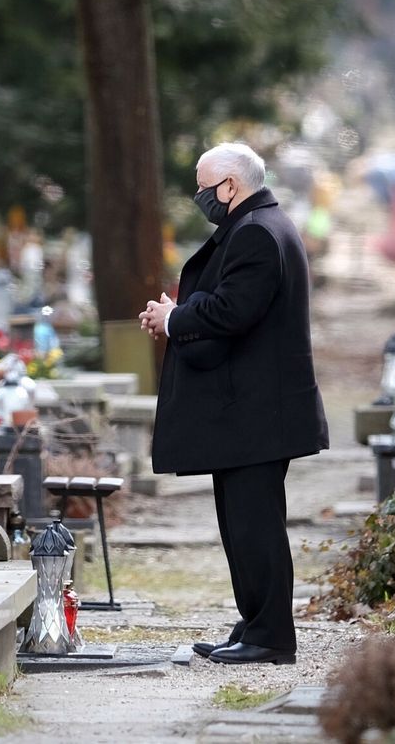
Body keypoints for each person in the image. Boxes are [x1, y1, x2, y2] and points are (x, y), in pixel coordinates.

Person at [139, 142, 328, 666]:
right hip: (252, 413)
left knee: (255, 526)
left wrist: (175, 319)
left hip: (259, 413)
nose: (199, 196)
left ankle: (270, 637)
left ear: (230, 186)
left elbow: (232, 309)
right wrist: (180, 313)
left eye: (204, 186)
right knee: (240, 523)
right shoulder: (257, 226)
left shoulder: (257, 233)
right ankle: (253, 624)